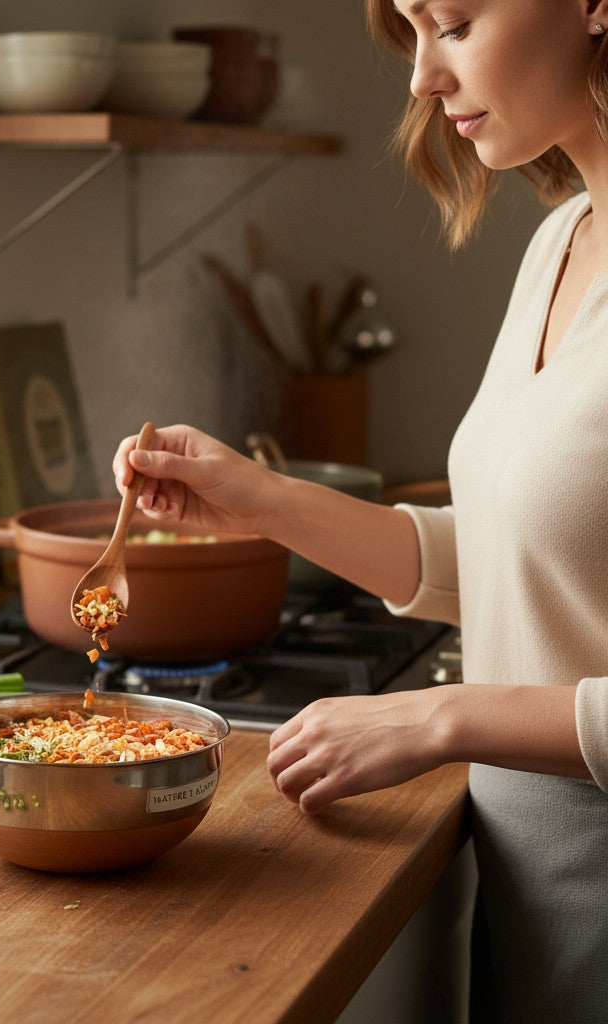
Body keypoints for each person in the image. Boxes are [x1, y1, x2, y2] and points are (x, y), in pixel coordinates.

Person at [112, 3, 608, 1021]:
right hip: (539, 899)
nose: (423, 79)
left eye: (455, 23)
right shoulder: (564, 237)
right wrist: (260, 500)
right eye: (413, 32)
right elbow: (539, 570)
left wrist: (441, 716)